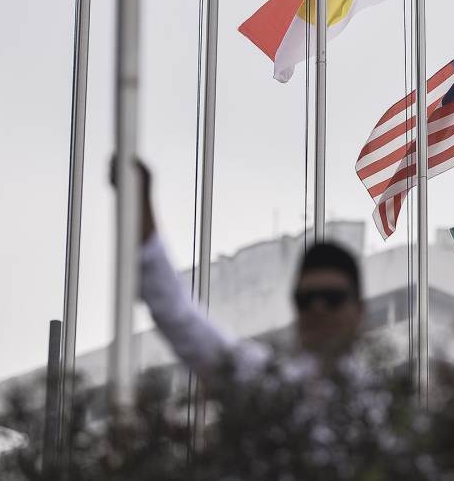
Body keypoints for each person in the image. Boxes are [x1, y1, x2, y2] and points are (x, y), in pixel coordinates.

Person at [123, 161, 367, 384]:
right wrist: (140, 202)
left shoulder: (388, 409)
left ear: (359, 309)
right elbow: (181, 320)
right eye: (305, 300)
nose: (318, 309)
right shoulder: (275, 389)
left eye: (332, 299)